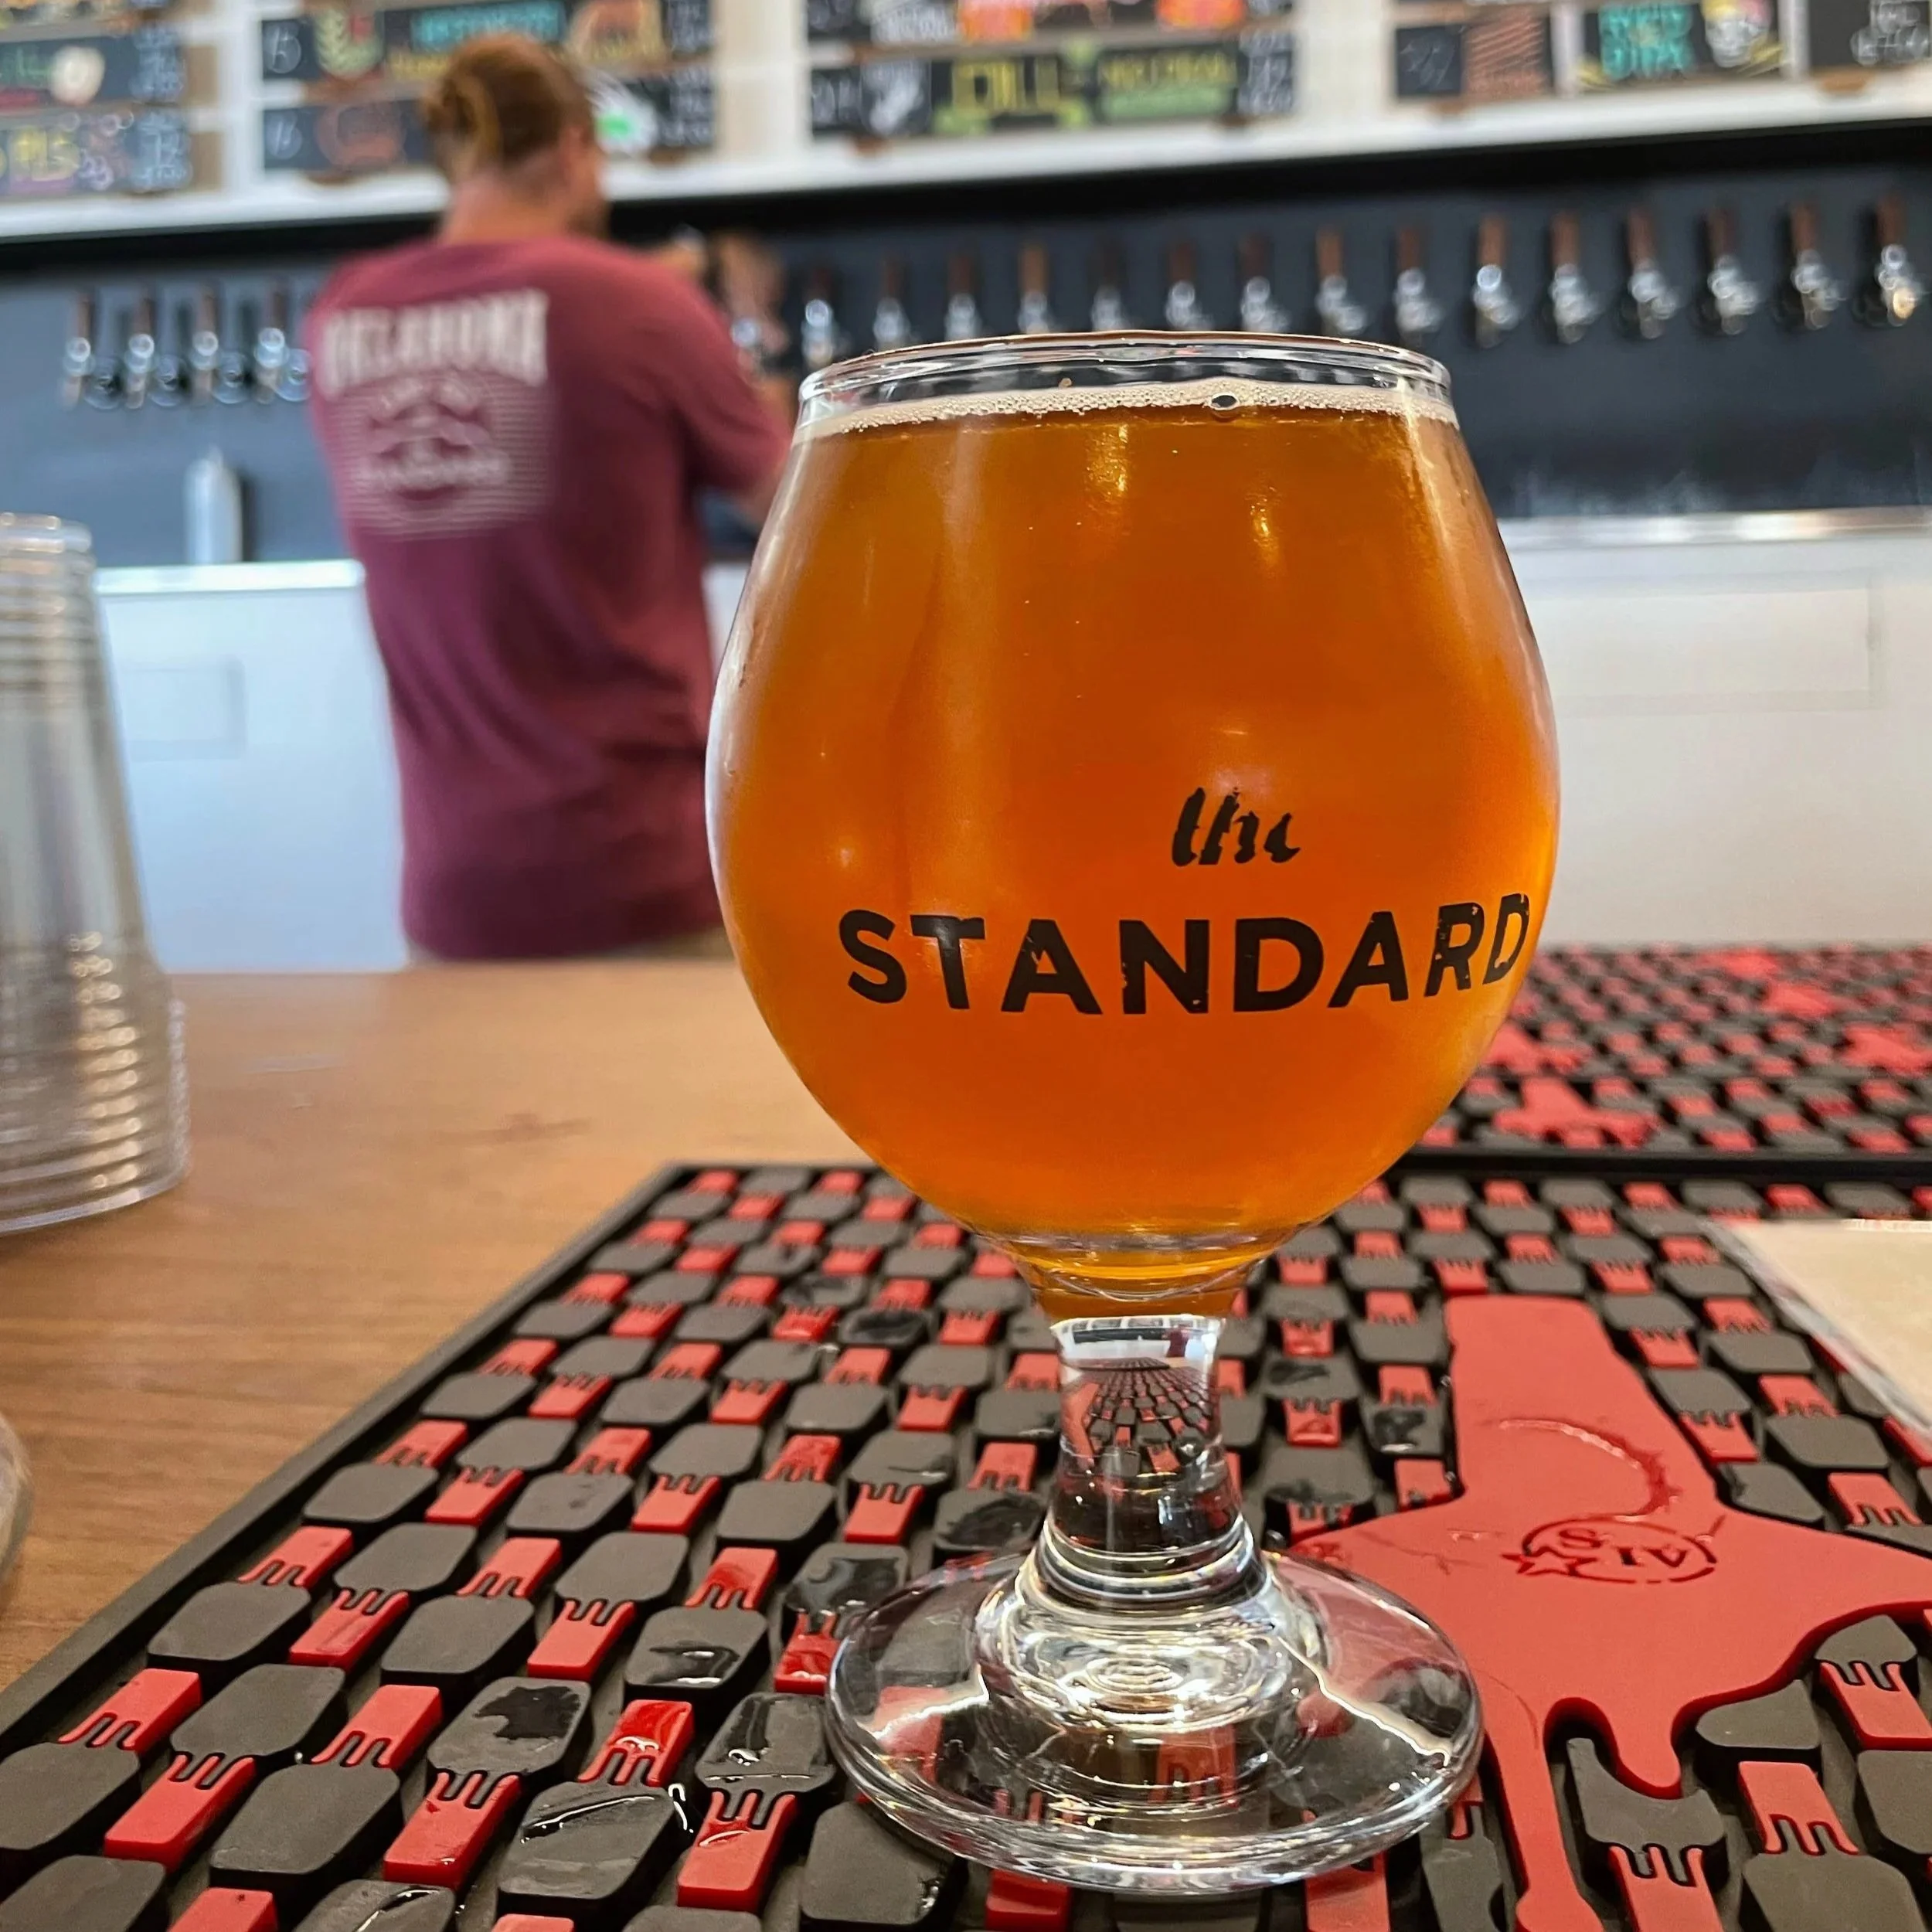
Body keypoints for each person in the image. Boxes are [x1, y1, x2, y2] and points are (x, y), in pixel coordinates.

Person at [307, 36, 791, 961]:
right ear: (574, 149)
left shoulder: (342, 318)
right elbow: (803, 517)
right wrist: (760, 408)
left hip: (453, 894)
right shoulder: (637, 304)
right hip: (648, 882)